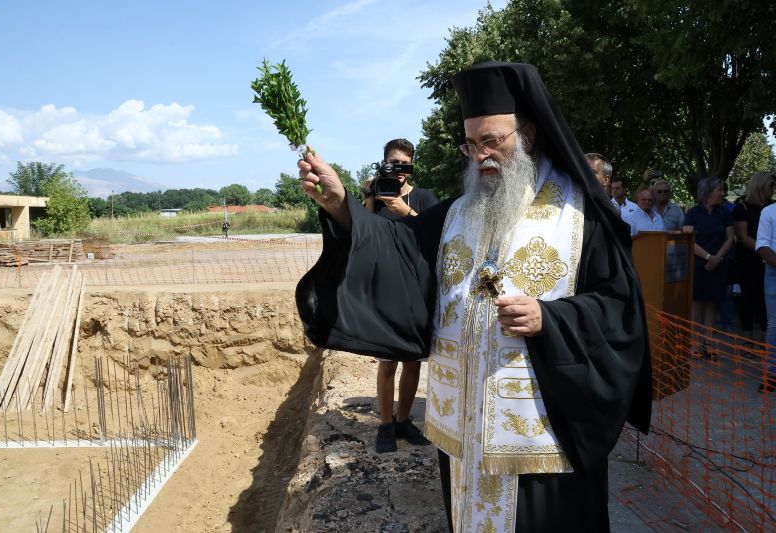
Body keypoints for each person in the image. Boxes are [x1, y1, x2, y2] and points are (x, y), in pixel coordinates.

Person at [295, 61, 651, 532]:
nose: (480, 155)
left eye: (492, 141)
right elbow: (397, 251)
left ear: (527, 135)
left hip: (541, 438)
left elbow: (620, 310)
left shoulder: (580, 214)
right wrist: (341, 204)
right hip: (465, 431)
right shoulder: (456, 213)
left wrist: (552, 319)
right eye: (471, 144)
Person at [364, 138, 439, 452]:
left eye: (405, 165)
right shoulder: (376, 198)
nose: (399, 171)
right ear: (383, 163)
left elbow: (439, 238)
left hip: (417, 289)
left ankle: (404, 420)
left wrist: (406, 211)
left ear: (411, 166)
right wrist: (370, 200)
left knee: (412, 361)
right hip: (386, 287)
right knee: (387, 361)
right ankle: (385, 424)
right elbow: (364, 237)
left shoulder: (424, 198)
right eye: (393, 164)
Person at [682, 177, 735, 358]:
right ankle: (695, 344)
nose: (723, 193)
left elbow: (730, 238)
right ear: (707, 192)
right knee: (697, 304)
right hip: (698, 263)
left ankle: (709, 344)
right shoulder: (693, 213)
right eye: (719, 190)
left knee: (712, 303)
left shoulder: (724, 212)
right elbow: (689, 239)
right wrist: (707, 257)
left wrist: (717, 258)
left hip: (719, 263)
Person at [734, 172, 775, 352]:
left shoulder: (772, 207)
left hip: (770, 260)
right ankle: (748, 341)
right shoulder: (742, 208)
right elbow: (742, 237)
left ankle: (765, 342)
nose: (773, 188)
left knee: (767, 305)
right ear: (760, 184)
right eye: (771, 184)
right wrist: (763, 251)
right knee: (749, 299)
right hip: (750, 260)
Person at [756, 195, 776, 392]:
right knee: (775, 324)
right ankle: (772, 373)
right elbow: (762, 245)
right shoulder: (769, 212)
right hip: (774, 270)